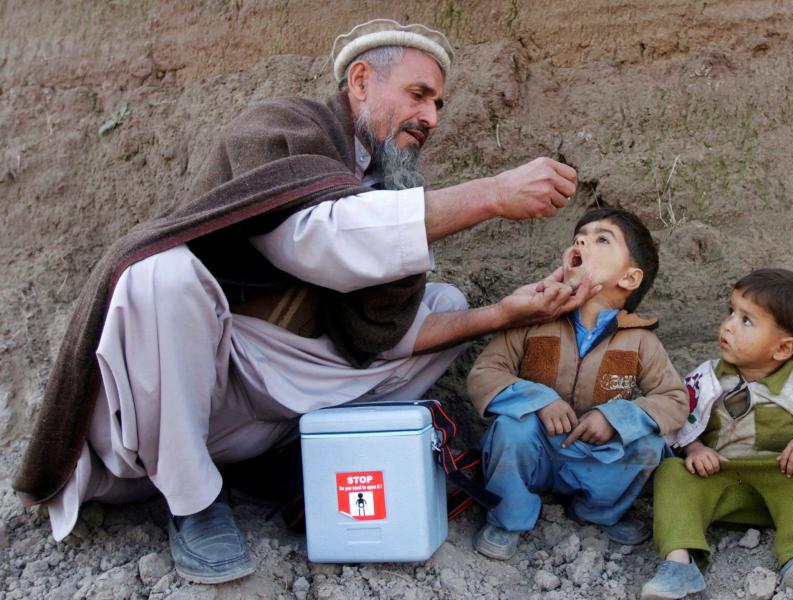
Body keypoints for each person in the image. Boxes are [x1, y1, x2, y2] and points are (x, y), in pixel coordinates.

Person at [13, 19, 599, 584]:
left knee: (442, 301)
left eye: (439, 105)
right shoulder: (283, 128)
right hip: (192, 375)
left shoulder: (385, 181)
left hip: (273, 396)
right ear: (362, 81)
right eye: (419, 95)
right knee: (158, 275)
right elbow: (317, 240)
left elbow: (381, 333)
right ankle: (194, 502)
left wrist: (507, 314)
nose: (430, 117)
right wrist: (491, 193)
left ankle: (296, 461)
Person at [466, 207, 690, 560]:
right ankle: (509, 517)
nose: (583, 241)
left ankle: (598, 513)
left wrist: (614, 417)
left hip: (594, 458)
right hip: (537, 449)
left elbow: (674, 399)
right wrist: (538, 400)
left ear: (630, 279)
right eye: (578, 238)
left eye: (602, 239)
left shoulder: (641, 340)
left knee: (648, 444)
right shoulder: (533, 320)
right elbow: (485, 373)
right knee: (511, 430)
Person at [640, 269, 793, 600]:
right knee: (671, 473)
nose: (728, 324)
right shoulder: (707, 378)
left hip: (779, 483)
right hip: (718, 481)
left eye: (746, 321)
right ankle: (679, 563)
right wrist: (695, 449)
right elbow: (679, 420)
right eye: (731, 312)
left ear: (783, 348)